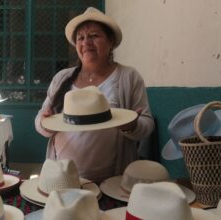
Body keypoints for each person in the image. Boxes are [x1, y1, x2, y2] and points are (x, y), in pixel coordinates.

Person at [35, 7, 154, 183]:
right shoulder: (62, 78)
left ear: (111, 41)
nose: (86, 43)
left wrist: (132, 126)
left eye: (94, 36)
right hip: (64, 179)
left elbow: (147, 123)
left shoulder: (128, 77)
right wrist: (45, 124)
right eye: (80, 38)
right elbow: (40, 119)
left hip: (112, 180)